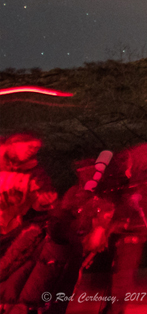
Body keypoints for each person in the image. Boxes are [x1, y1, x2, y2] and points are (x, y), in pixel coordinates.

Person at [82, 143, 147, 313]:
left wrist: (126, 223)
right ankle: (109, 306)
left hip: (132, 231)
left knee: (123, 273)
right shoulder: (130, 177)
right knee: (113, 272)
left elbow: (143, 208)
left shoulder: (145, 179)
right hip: (121, 229)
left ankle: (116, 309)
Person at [0, 132, 59, 311]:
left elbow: (41, 191)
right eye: (30, 146)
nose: (33, 151)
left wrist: (43, 200)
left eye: (36, 149)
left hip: (9, 227)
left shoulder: (33, 170)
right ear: (14, 141)